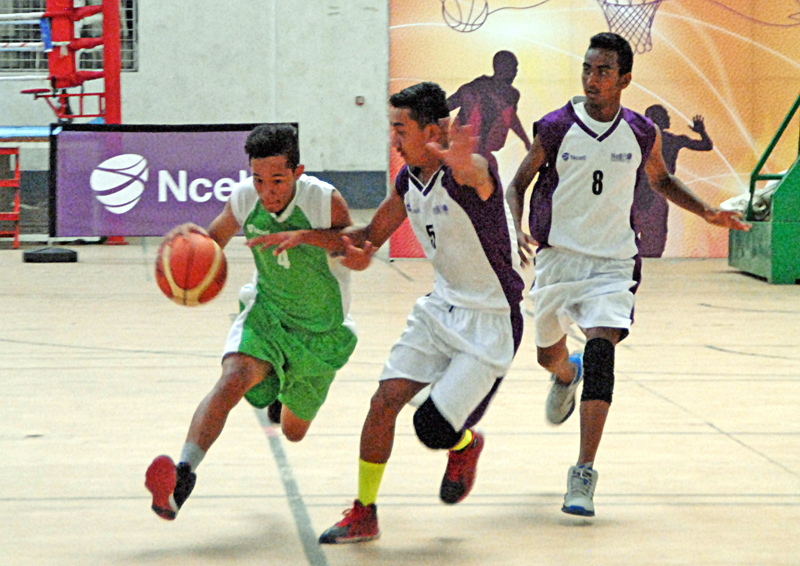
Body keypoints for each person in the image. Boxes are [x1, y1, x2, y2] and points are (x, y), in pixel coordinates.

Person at [505, 33, 749, 518]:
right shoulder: (555, 127)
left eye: (603, 72)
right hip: (557, 261)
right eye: (587, 69)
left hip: (613, 264)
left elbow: (659, 180)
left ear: (625, 80)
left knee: (601, 350)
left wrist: (706, 212)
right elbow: (518, 184)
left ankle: (583, 471)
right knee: (546, 355)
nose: (592, 79)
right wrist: (515, 228)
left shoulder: (639, 132)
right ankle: (563, 374)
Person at [311, 81, 525, 543]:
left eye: (400, 130)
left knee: (429, 429)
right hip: (439, 309)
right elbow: (368, 236)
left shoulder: (468, 174)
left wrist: (469, 163)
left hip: (490, 321)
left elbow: (480, 174)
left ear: (432, 130)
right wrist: (309, 238)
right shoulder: (408, 181)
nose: (393, 140)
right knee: (382, 401)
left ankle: (464, 444)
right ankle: (364, 512)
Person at [145, 123, 359, 520]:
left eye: (277, 180)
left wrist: (306, 236)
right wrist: (187, 251)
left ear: (298, 171)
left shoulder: (323, 201)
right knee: (232, 379)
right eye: (258, 179)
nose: (267, 190)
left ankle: (282, 393)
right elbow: (212, 242)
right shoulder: (245, 199)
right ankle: (182, 476)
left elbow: (353, 245)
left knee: (294, 431)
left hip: (320, 330)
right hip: (267, 315)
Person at [634, 105, 714, 257]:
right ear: (656, 120)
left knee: (641, 245)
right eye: (665, 115)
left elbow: (706, 146)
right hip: (653, 195)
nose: (669, 118)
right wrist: (701, 132)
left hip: (641, 195)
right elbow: (706, 145)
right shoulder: (672, 141)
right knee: (652, 247)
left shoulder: (638, 140)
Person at [448, 50, 532, 171]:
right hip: (461, 151)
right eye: (512, 67)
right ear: (499, 68)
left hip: (482, 153)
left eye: (516, 68)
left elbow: (511, 118)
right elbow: (449, 104)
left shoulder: (512, 95)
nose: (516, 72)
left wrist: (526, 142)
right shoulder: (477, 86)